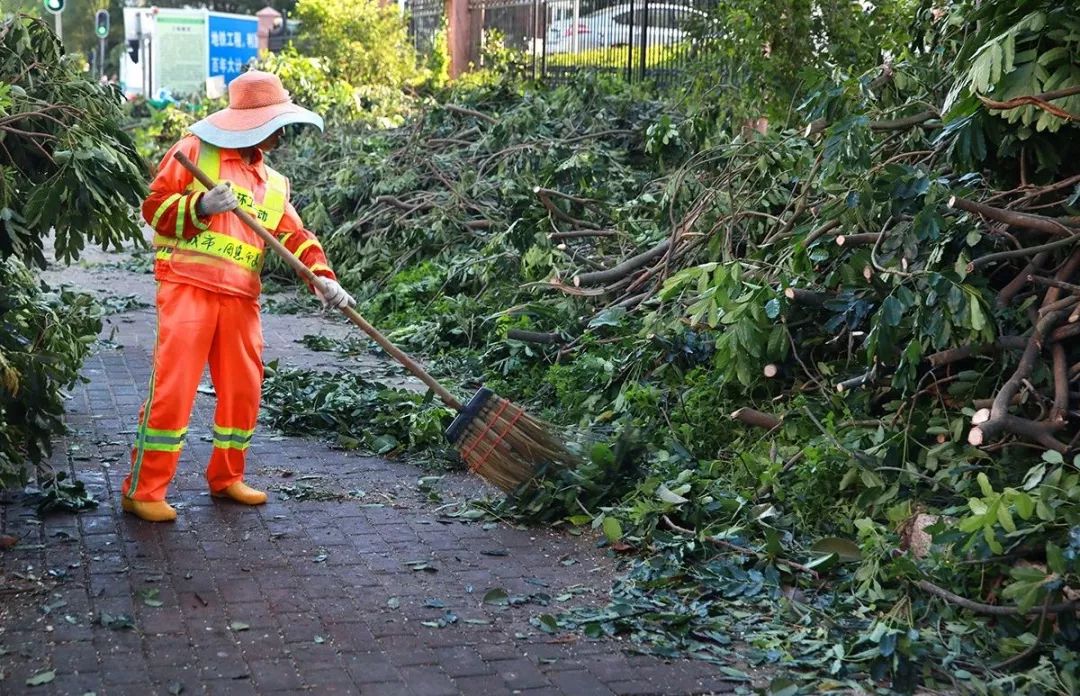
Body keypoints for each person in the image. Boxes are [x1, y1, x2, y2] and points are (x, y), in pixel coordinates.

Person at [121, 71, 355, 522]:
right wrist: (199, 207)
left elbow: (295, 236)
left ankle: (227, 477)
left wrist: (323, 278)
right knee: (173, 388)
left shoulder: (273, 181)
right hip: (188, 287)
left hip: (241, 298)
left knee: (244, 389)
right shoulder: (194, 151)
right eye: (275, 123)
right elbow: (154, 208)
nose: (281, 133)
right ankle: (143, 489)